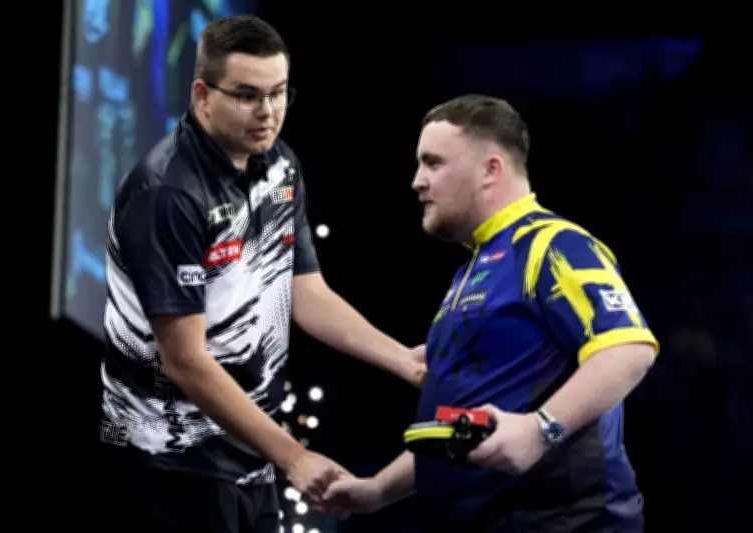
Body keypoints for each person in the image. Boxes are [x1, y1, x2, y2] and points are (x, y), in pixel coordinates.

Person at [98, 15, 425, 533]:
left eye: (278, 93)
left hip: (251, 459)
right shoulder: (167, 193)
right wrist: (295, 456)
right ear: (202, 95)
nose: (268, 112)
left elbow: (306, 293)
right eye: (247, 95)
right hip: (171, 466)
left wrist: (404, 360)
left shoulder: (280, 165)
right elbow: (184, 360)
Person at [323, 94, 659, 533]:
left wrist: (541, 429)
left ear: (491, 169)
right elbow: (463, 430)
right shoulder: (471, 272)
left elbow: (629, 349)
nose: (417, 181)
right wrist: (377, 490)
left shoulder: (553, 244)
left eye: (433, 163)